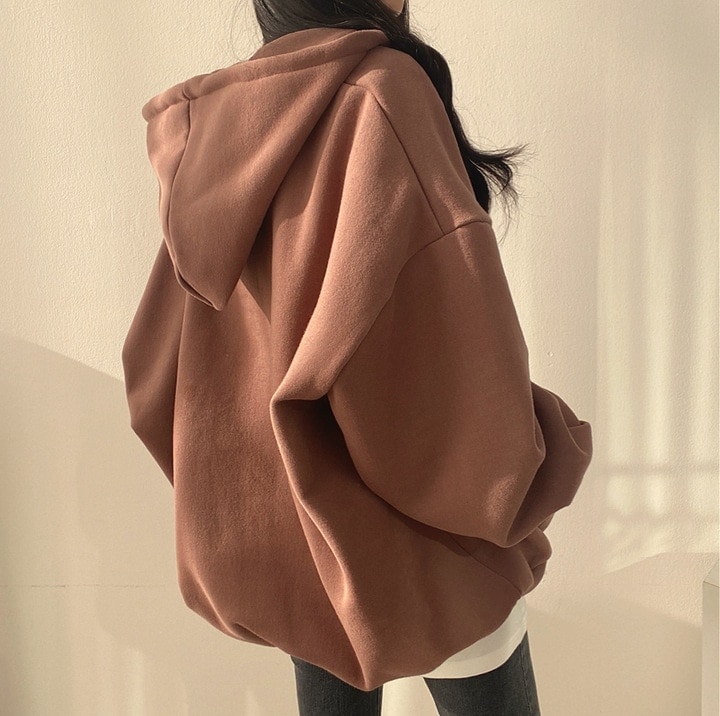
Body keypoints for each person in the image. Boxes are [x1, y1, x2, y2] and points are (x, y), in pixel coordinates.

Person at [121, 0, 594, 713]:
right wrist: (530, 464)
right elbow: (451, 346)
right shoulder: (381, 91)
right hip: (431, 551)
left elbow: (157, 365)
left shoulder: (221, 126)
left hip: (301, 549)